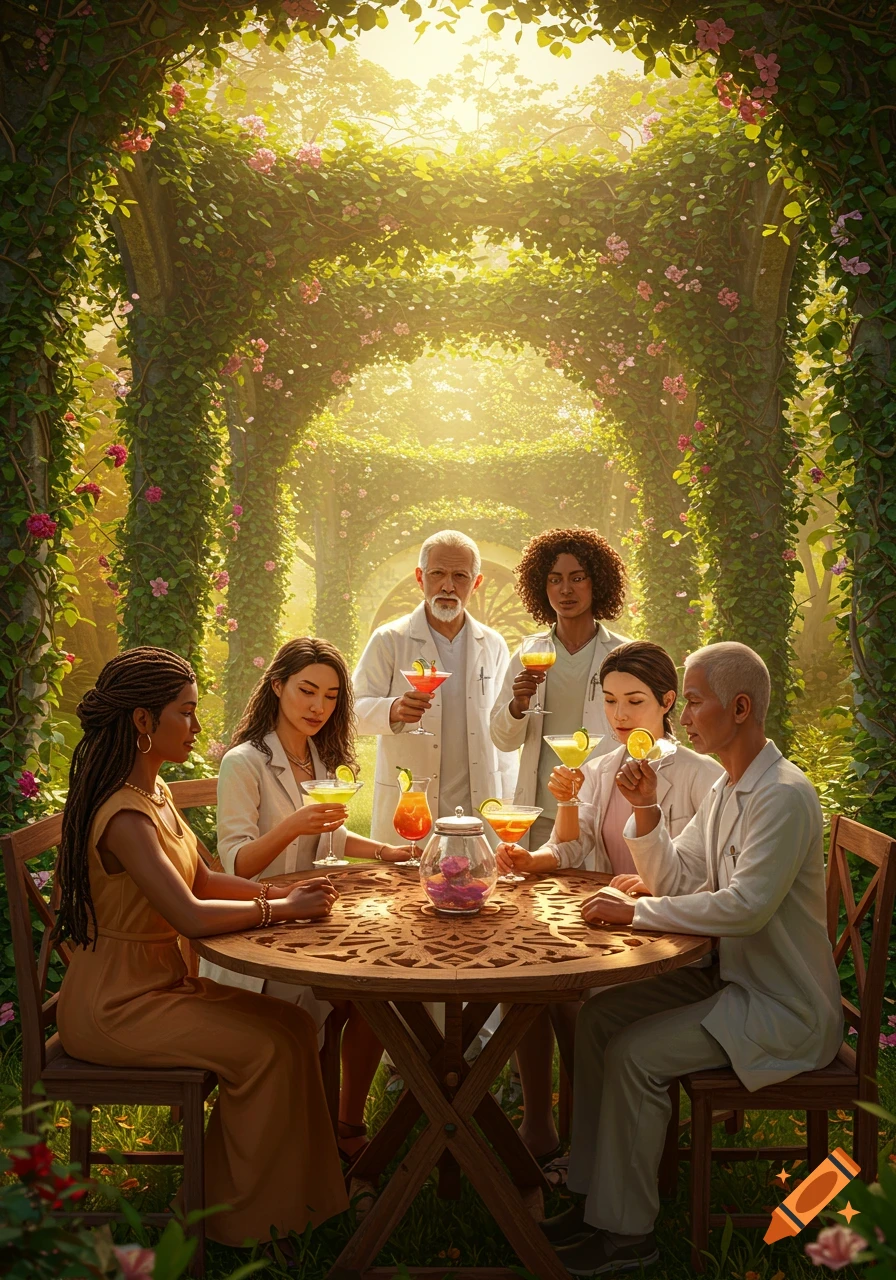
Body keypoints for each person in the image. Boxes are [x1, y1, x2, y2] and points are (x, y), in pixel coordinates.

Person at [543, 641, 843, 1276]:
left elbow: (744, 908)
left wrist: (636, 914)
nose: (685, 715)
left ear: (739, 707)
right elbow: (680, 878)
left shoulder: (781, 796)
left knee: (635, 1054)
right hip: (729, 981)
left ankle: (628, 1240)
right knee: (600, 1018)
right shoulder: (730, 789)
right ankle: (594, 1196)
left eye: (696, 700)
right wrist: (649, 809)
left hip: (781, 1006)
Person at [55, 647, 348, 1247]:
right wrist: (277, 908)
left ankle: (293, 1201)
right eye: (185, 714)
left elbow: (205, 879)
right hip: (114, 1008)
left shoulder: (154, 793)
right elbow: (189, 914)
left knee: (293, 1025)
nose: (196, 727)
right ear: (143, 721)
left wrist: (283, 895)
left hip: (158, 986)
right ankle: (244, 1225)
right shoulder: (125, 816)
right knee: (269, 1047)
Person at [495, 642, 723, 1164]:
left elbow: (709, 873)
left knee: (566, 995)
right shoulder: (600, 768)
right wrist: (539, 855)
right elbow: (572, 847)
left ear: (667, 702)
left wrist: (653, 882)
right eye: (610, 700)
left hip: (670, 939)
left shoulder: (699, 776)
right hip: (603, 926)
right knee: (525, 980)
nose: (620, 715)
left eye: (635, 701)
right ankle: (541, 1124)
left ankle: (595, 1132)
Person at [199, 637, 407, 1163]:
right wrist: (292, 825)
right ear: (276, 687)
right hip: (259, 924)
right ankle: (305, 1136)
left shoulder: (318, 757)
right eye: (306, 691)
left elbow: (329, 840)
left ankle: (344, 1124)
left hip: (312, 917)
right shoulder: (244, 762)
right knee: (362, 992)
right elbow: (236, 863)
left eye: (331, 697)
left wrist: (384, 850)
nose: (318, 707)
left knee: (378, 998)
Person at [353, 529, 517, 843]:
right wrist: (393, 710)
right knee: (406, 890)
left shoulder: (494, 644)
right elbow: (351, 712)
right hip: (412, 804)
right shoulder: (390, 640)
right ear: (419, 577)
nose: (447, 586)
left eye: (460, 576)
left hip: (479, 807)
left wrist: (507, 805)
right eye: (437, 573)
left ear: (476, 583)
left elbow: (501, 733)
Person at [489, 528, 630, 851]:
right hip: (542, 817)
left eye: (578, 578)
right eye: (554, 579)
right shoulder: (528, 656)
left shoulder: (623, 656)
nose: (565, 589)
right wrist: (518, 705)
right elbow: (503, 740)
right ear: (541, 586)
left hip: (604, 813)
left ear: (598, 582)